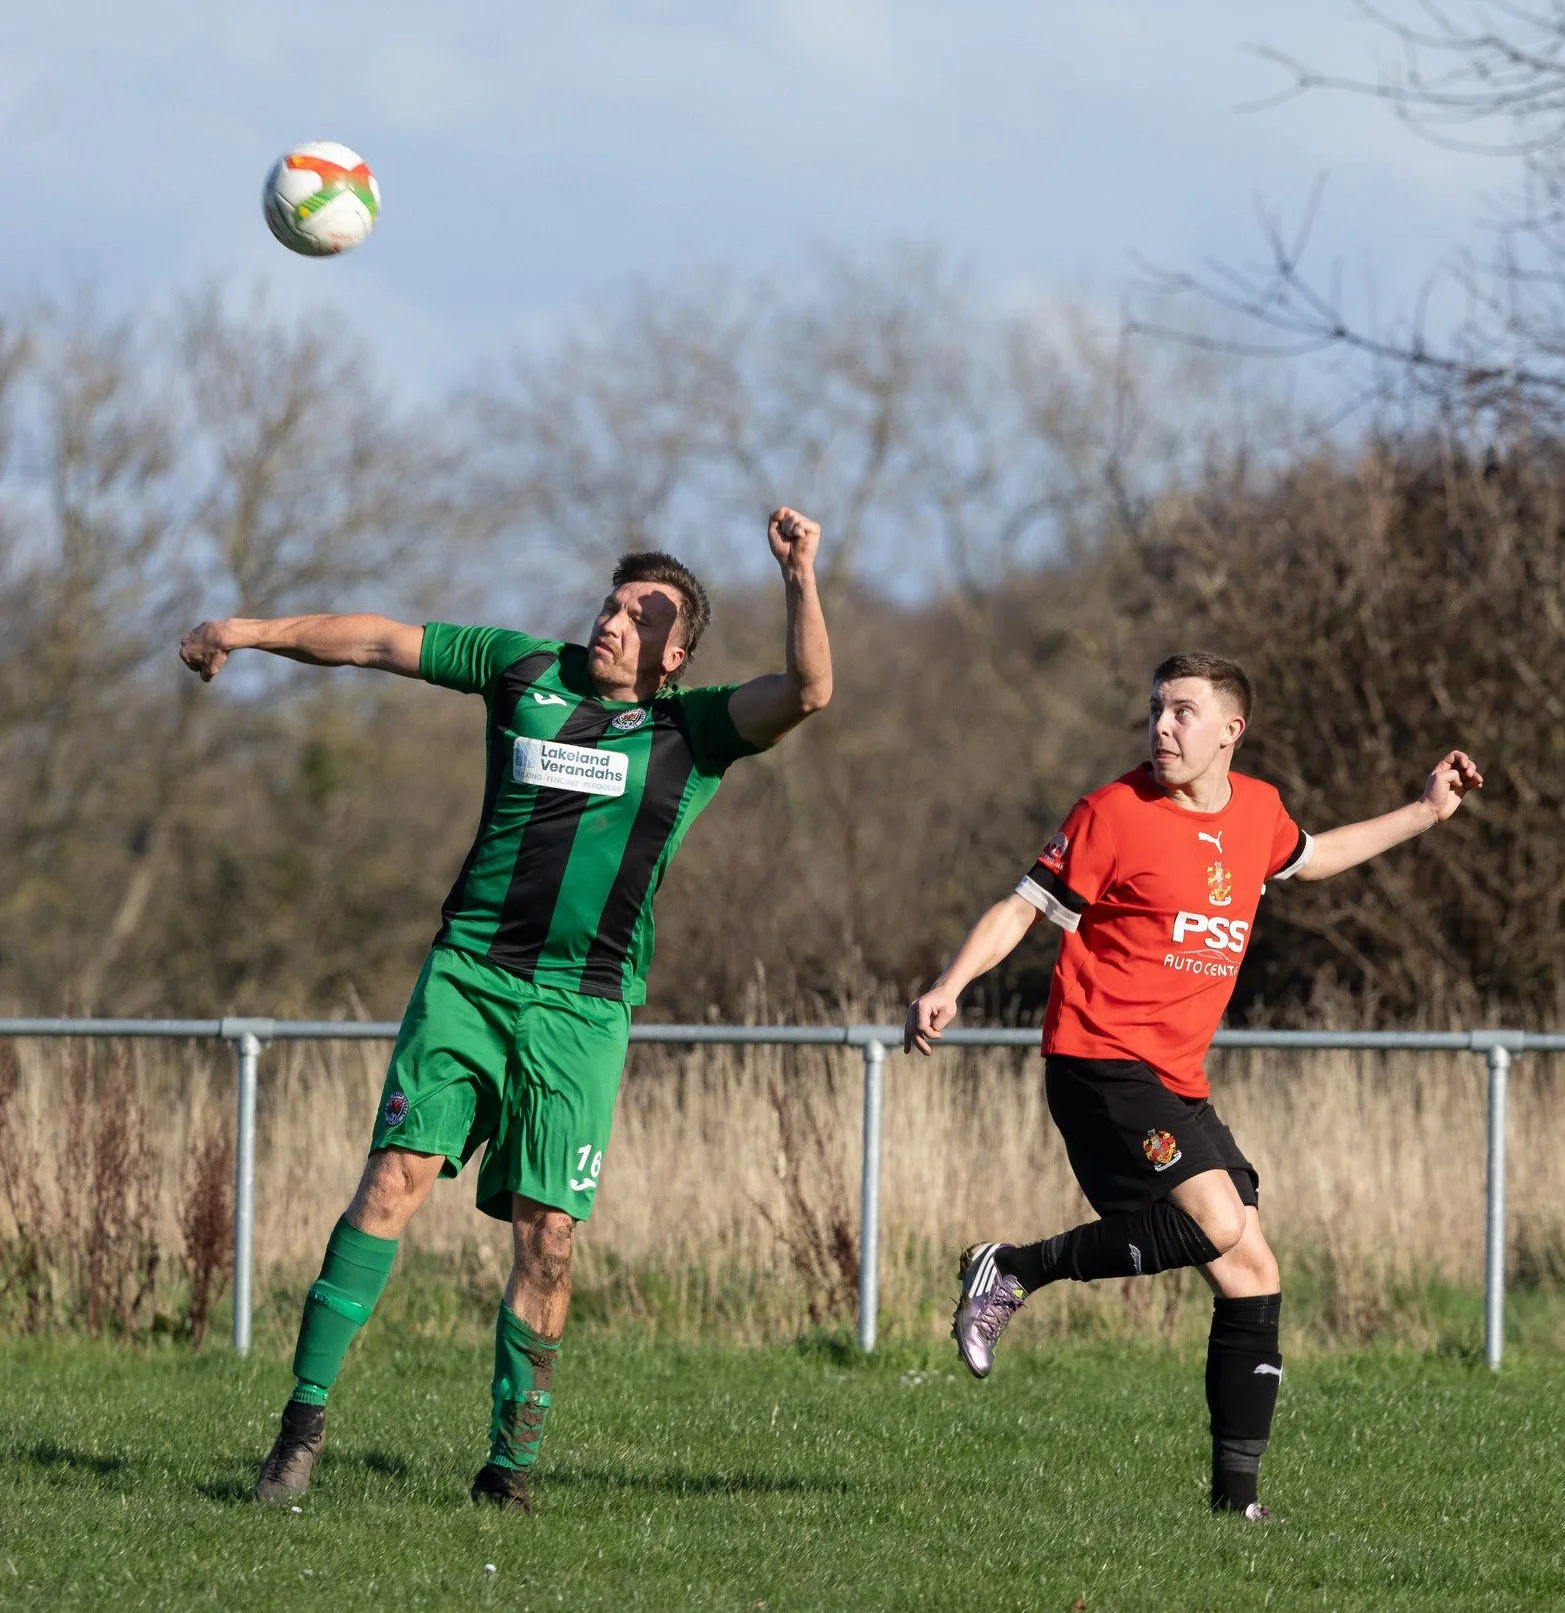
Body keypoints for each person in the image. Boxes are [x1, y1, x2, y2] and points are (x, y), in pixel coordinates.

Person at [179, 508, 834, 1514]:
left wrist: (799, 578)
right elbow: (373, 640)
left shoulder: (690, 730)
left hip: (582, 1013)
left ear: (677, 653)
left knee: (549, 1237)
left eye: (639, 617)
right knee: (391, 1183)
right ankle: (297, 1435)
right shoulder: (524, 671)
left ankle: (508, 1471)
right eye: (611, 604)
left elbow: (808, 691)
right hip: (470, 979)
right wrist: (246, 630)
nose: (612, 622)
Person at [905, 651, 1481, 1520]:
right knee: (1215, 1221)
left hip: (1174, 1078)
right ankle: (1013, 1270)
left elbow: (1316, 857)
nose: (1162, 727)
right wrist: (951, 983)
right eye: (1155, 711)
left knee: (1251, 1267)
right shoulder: (1112, 812)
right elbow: (1023, 905)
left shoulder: (1259, 812)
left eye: (1182, 712)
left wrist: (1427, 812)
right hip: (1098, 1060)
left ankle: (1235, 1507)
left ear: (1229, 732)